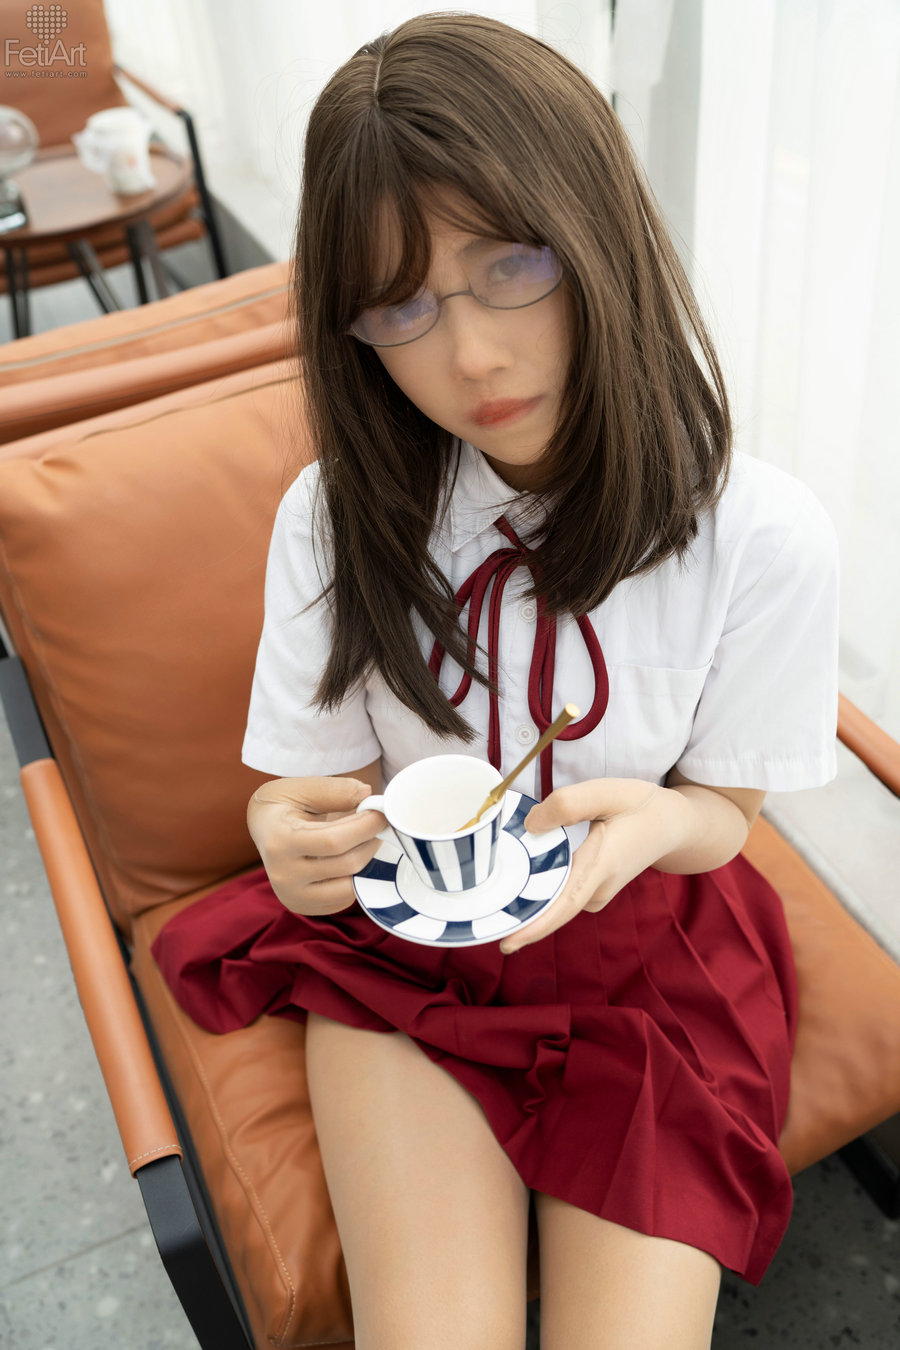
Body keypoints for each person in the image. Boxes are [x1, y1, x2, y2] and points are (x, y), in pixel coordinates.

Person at [152, 13, 839, 1349]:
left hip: (649, 958)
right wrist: (281, 831)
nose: (468, 357)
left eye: (512, 263)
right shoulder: (335, 518)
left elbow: (727, 816)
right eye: (402, 303)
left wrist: (662, 818)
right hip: (409, 946)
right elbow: (306, 787)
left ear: (599, 233)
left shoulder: (762, 537)